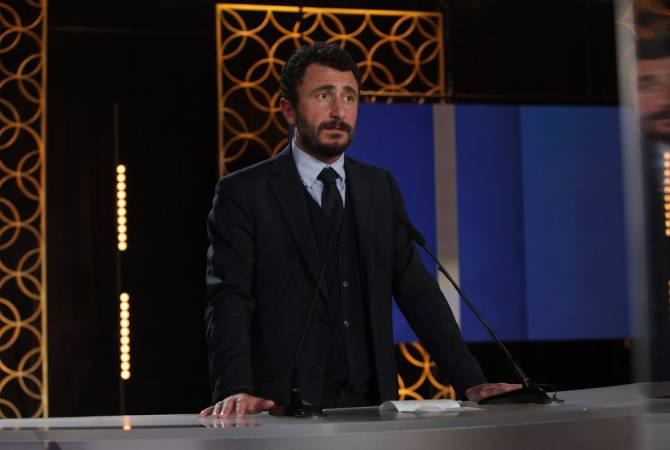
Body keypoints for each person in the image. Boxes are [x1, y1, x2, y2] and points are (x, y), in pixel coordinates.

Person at [200, 42, 519, 418]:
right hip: (283, 409)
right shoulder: (243, 193)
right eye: (323, 95)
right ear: (288, 109)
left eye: (349, 97)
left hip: (373, 407)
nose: (339, 111)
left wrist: (470, 381)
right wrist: (235, 387)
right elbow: (230, 298)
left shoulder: (379, 188)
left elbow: (418, 295)